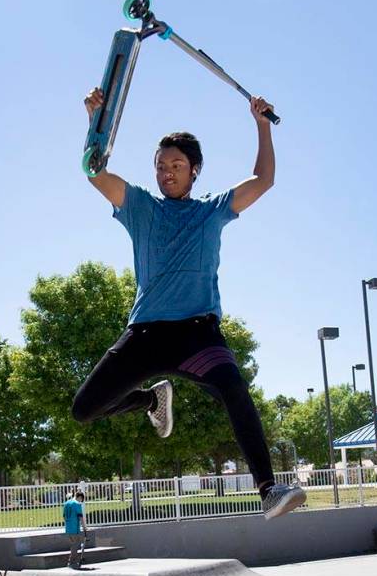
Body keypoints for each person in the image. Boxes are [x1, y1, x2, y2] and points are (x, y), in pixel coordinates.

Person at [73, 87, 305, 521]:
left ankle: (269, 489)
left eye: (176, 165)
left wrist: (261, 124)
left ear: (195, 171)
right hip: (145, 334)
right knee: (85, 409)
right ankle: (150, 401)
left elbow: (263, 181)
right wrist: (96, 124)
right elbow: (95, 173)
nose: (167, 173)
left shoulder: (212, 210)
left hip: (197, 335)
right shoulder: (140, 207)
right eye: (161, 166)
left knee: (234, 389)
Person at [63, 490, 88, 569]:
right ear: (79, 497)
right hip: (75, 528)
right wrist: (84, 527)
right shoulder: (77, 504)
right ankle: (71, 562)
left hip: (68, 528)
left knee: (73, 545)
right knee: (75, 545)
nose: (81, 501)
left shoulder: (66, 503)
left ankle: (72, 561)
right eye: (81, 499)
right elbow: (80, 517)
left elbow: (64, 516)